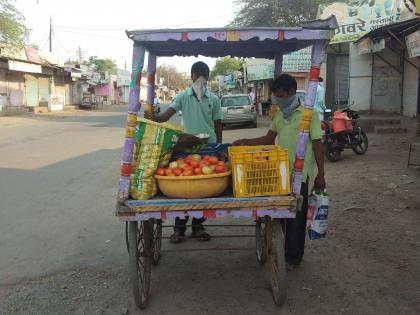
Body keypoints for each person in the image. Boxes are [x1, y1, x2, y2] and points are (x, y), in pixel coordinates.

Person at [232, 74, 326, 270]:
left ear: (291, 93)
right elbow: (268, 139)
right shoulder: (279, 115)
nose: (278, 100)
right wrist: (245, 142)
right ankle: (283, 251)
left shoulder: (309, 115)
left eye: (281, 96)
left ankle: (293, 258)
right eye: (276, 97)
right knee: (281, 215)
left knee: (297, 220)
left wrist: (321, 174)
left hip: (300, 176)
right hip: (279, 174)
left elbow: (317, 144)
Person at [150, 61, 223, 243]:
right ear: (191, 76)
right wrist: (153, 117)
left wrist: (219, 148)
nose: (200, 79)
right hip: (186, 148)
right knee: (183, 190)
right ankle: (179, 229)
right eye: (197, 75)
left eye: (203, 76)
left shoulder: (213, 99)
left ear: (207, 78)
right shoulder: (182, 96)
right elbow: (166, 116)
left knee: (203, 190)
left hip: (208, 148)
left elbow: (218, 125)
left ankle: (198, 226)